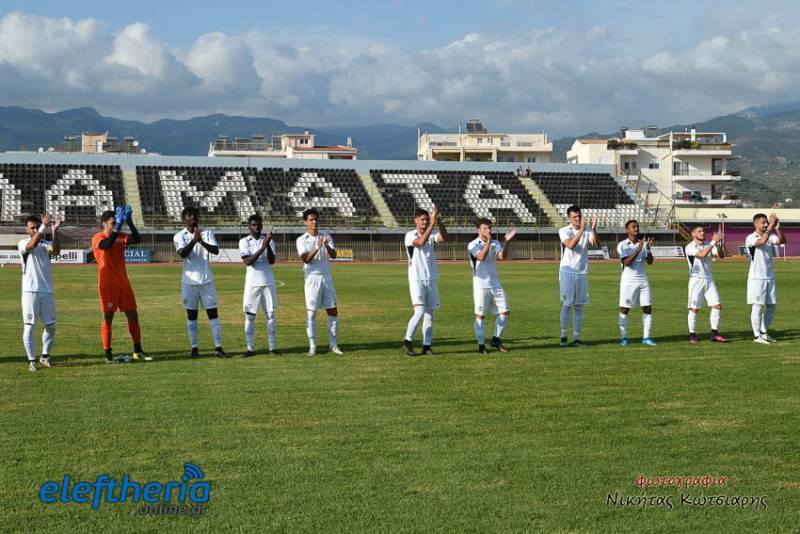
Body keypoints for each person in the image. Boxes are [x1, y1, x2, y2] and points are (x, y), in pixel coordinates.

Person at [91, 206, 150, 362]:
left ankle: (137, 350)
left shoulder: (120, 236)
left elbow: (136, 239)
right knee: (108, 317)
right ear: (104, 223)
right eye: (112, 223)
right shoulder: (98, 237)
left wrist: (129, 222)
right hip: (107, 284)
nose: (114, 225)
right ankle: (108, 353)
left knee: (133, 314)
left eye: (116, 222)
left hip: (123, 282)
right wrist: (117, 227)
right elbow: (107, 245)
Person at [174, 207, 226, 358]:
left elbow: (215, 251)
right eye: (189, 215)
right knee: (191, 316)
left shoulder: (207, 232)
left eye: (195, 215)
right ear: (183, 219)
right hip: (189, 282)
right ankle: (194, 349)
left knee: (213, 314)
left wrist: (201, 240)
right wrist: (193, 241)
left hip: (206, 280)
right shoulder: (179, 236)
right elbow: (182, 254)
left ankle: (218, 347)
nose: (193, 217)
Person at [296, 208, 343, 356]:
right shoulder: (301, 239)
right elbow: (306, 259)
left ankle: (333, 345)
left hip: (326, 277)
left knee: (333, 310)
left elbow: (334, 255)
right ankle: (312, 346)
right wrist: (317, 246)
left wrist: (327, 245)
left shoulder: (326, 235)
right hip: (311, 278)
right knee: (312, 313)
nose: (314, 222)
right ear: (305, 222)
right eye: (311, 220)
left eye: (316, 219)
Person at [403, 207, 448, 356]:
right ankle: (407, 342)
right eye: (422, 219)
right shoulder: (410, 235)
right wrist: (432, 225)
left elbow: (444, 236)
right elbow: (420, 242)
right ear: (415, 220)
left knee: (430, 315)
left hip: (431, 278)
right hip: (416, 279)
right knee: (420, 311)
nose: (425, 221)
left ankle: (426, 346)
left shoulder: (431, 235)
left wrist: (438, 220)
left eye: (427, 219)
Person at [19, 213, 60, 372]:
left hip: (47, 291)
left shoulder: (45, 244)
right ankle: (31, 360)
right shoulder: (23, 243)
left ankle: (45, 356)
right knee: (29, 327)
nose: (35, 229)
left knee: (51, 326)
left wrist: (54, 231)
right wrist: (43, 226)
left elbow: (56, 251)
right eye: (32, 227)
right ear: (26, 230)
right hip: (30, 292)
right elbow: (31, 245)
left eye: (37, 226)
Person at [468, 218, 516, 353]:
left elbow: (502, 256)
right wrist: (488, 241)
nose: (488, 231)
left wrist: (506, 242)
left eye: (489, 228)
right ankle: (481, 346)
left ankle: (495, 339)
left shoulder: (495, 243)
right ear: (479, 229)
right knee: (480, 316)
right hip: (480, 286)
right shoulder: (473, 245)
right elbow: (481, 257)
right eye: (485, 228)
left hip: (495, 284)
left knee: (505, 312)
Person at [558, 206, 598, 347]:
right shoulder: (564, 230)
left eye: (579, 216)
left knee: (579, 306)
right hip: (567, 272)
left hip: (582, 272)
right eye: (574, 217)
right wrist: (582, 230)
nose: (578, 219)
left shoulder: (587, 230)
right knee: (567, 305)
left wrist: (593, 229)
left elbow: (595, 243)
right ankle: (563, 336)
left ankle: (577, 338)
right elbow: (570, 245)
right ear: (569, 218)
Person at [239, 214, 278, 356]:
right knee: (250, 317)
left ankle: (272, 348)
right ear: (249, 226)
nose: (256, 227)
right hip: (252, 284)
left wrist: (268, 246)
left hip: (268, 282)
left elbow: (272, 261)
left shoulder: (268, 240)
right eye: (253, 225)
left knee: (271, 316)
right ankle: (250, 349)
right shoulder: (244, 241)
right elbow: (248, 261)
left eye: (258, 225)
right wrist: (262, 248)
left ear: (262, 225)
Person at [685, 224, 729, 344]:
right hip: (696, 280)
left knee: (717, 306)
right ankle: (692, 335)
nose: (703, 233)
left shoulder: (708, 244)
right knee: (694, 309)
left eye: (703, 231)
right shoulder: (689, 247)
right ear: (693, 234)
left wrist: (718, 244)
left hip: (709, 279)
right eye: (699, 231)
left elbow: (721, 256)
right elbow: (702, 254)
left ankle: (714, 334)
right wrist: (713, 242)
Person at [746, 213, 786, 344]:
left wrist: (777, 228)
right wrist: (771, 227)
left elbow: (782, 241)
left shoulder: (770, 235)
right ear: (756, 224)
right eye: (763, 222)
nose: (766, 224)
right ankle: (757, 336)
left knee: (772, 306)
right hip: (756, 278)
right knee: (757, 306)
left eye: (766, 222)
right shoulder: (751, 238)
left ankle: (763, 332)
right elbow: (761, 242)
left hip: (770, 276)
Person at [617, 220, 657, 346]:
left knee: (647, 307)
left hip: (642, 278)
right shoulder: (622, 245)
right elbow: (626, 262)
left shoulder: (644, 244)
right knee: (625, 308)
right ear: (627, 230)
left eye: (637, 227)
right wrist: (639, 249)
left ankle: (646, 337)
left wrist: (648, 249)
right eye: (633, 227)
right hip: (628, 280)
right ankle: (624, 337)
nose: (636, 229)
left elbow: (650, 262)